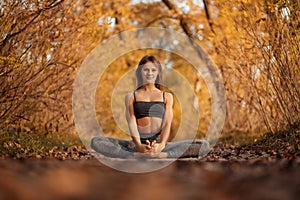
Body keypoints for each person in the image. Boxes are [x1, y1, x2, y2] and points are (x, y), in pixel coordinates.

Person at [91, 55, 210, 158]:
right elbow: (132, 123)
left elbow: (167, 124)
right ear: (140, 72)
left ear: (158, 72)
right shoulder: (131, 96)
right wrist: (140, 147)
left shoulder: (167, 96)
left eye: (153, 70)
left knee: (204, 145)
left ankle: (164, 156)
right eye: (145, 70)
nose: (149, 73)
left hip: (160, 145)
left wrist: (161, 146)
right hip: (137, 145)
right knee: (96, 141)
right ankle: (135, 156)